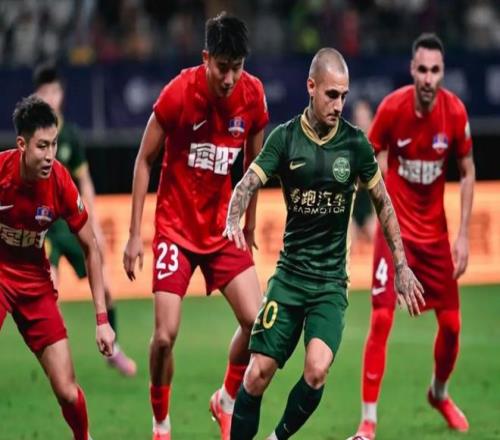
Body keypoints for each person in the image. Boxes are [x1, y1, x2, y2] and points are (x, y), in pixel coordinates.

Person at [224, 47, 424, 440]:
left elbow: (383, 203)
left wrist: (401, 265)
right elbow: (248, 182)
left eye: (344, 96)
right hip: (289, 278)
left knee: (316, 370)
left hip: (330, 284)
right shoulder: (285, 139)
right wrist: (234, 216)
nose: (338, 104)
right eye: (332, 94)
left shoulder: (355, 145)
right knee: (258, 372)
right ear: (311, 87)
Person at [122, 12, 269, 440]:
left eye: (237, 67)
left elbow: (255, 166)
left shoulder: (253, 95)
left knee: (258, 324)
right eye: (222, 67)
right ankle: (161, 424)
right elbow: (144, 160)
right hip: (176, 229)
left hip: (223, 229)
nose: (229, 77)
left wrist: (250, 223)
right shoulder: (178, 94)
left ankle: (225, 400)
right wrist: (134, 235)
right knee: (164, 337)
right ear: (206, 58)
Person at [352, 33, 475, 440]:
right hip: (395, 235)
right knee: (381, 318)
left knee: (452, 327)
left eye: (434, 70)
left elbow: (468, 170)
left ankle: (438, 393)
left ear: (442, 73)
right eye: (421, 69)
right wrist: (362, 210)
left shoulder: (454, 113)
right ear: (412, 70)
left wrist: (463, 235)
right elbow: (366, 160)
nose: (427, 77)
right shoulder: (392, 108)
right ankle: (368, 421)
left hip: (436, 239)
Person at [0, 95, 115, 440]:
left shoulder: (60, 181)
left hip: (35, 284)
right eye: (42, 146)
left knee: (67, 391)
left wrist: (102, 320)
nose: (50, 154)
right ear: (22, 145)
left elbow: (91, 248)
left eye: (53, 144)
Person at [33, 63, 137, 376]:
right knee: (50, 292)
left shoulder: (71, 136)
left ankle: (113, 349)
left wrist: (93, 223)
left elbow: (85, 181)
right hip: (44, 228)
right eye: (44, 92)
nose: (50, 97)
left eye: (54, 91)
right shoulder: (32, 136)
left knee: (106, 287)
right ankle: (58, 358)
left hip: (71, 225)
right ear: (37, 96)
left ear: (62, 95)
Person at [351, 99, 376, 243]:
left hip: (372, 208)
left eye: (364, 118)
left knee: (376, 233)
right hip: (351, 210)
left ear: (371, 120)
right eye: (358, 118)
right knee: (348, 241)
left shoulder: (379, 146)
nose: (362, 122)